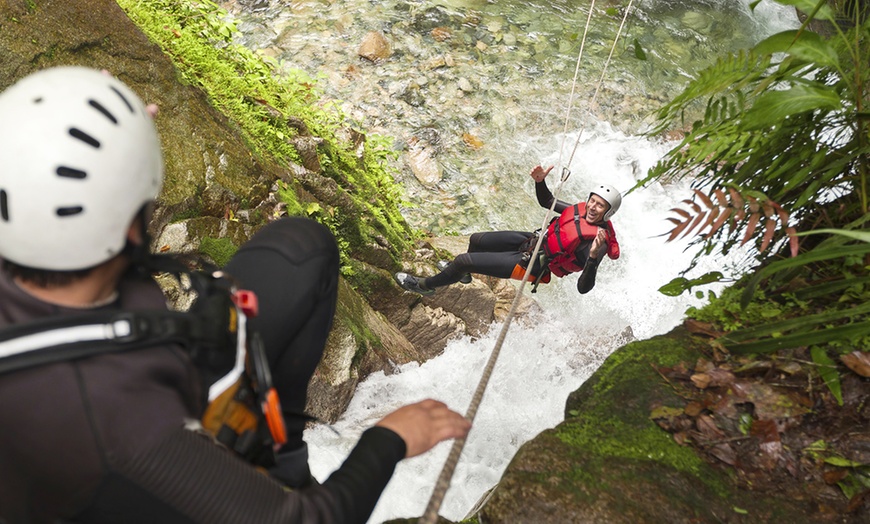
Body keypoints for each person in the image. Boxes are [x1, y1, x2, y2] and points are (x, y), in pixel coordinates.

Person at [0, 66, 470, 524]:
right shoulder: (125, 429)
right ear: (129, 226)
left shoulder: (27, 230)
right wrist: (388, 439)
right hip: (135, 431)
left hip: (136, 365)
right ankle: (283, 471)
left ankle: (279, 440)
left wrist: (98, 150)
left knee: (304, 250)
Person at [395, 164, 621, 296]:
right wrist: (540, 181)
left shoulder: (597, 243)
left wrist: (592, 258)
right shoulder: (580, 210)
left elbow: (584, 288)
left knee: (464, 260)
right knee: (477, 240)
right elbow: (548, 201)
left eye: (600, 205)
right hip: (531, 242)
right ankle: (460, 274)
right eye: (592, 201)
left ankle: (424, 286)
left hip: (533, 266)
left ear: (607, 213)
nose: (592, 207)